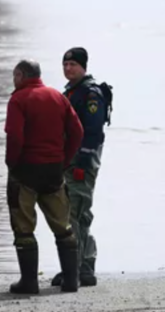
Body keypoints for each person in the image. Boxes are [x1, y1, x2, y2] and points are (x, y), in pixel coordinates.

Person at [5, 59, 84, 294]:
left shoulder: (18, 99)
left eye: (14, 76)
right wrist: (64, 160)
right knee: (63, 227)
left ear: (20, 75)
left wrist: (12, 163)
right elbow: (77, 132)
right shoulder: (57, 97)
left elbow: (15, 137)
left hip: (25, 172)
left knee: (24, 228)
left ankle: (29, 282)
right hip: (53, 171)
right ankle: (71, 281)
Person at [51, 47, 111, 287]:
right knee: (80, 213)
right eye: (65, 65)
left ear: (83, 66)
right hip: (70, 161)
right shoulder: (71, 92)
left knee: (73, 213)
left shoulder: (90, 93)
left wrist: (82, 163)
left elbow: (93, 132)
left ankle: (74, 268)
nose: (68, 69)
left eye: (73, 65)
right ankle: (84, 267)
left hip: (81, 163)